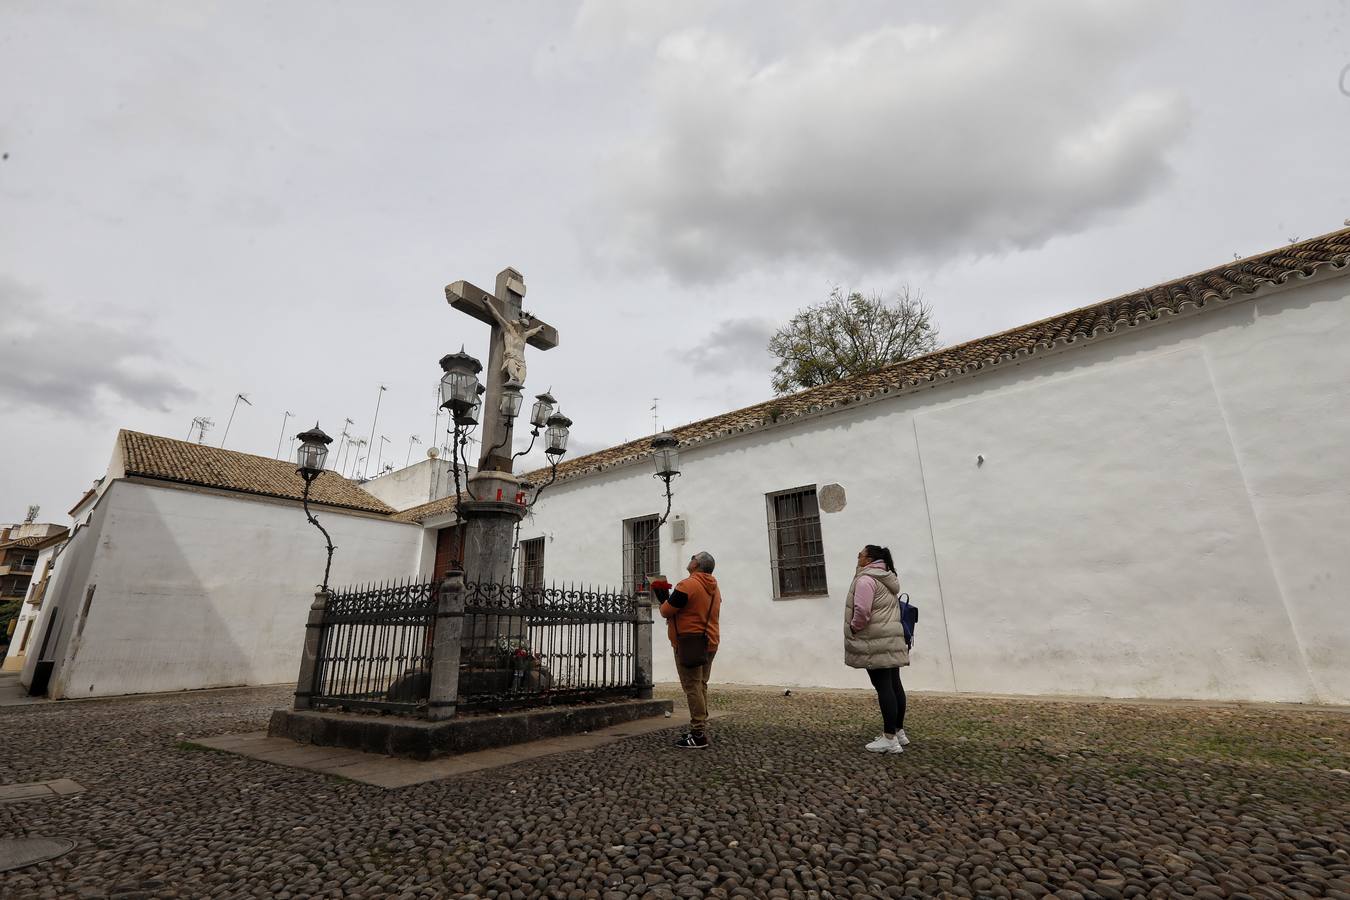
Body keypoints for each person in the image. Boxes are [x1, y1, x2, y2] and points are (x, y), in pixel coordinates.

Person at [651, 551, 722, 749]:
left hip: (689, 643)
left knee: (692, 687)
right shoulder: (714, 588)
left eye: (693, 557)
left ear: (697, 564)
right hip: (710, 641)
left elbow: (666, 611)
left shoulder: (687, 585)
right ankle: (700, 726)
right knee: (701, 685)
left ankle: (698, 733)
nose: (690, 559)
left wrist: (662, 596)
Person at [844, 544, 910, 754]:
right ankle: (898, 732)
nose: (857, 557)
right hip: (891, 638)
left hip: (876, 640)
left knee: (884, 687)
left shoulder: (866, 579)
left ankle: (889, 739)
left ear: (868, 559)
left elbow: (862, 610)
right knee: (894, 685)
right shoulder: (885, 576)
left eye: (860, 554)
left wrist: (854, 626)